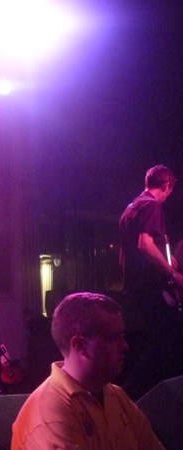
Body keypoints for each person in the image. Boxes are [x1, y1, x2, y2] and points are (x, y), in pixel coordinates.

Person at [11, 292, 165, 450]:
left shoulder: (116, 395)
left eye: (123, 336)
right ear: (79, 345)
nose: (125, 346)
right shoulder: (50, 413)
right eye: (113, 338)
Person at [118, 164, 183, 400]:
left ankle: (133, 395)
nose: (168, 196)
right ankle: (135, 396)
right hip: (149, 286)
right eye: (169, 191)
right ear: (166, 186)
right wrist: (172, 273)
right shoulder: (152, 205)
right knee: (167, 340)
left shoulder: (132, 207)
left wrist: (165, 258)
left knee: (154, 342)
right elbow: (144, 244)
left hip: (134, 286)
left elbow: (133, 249)